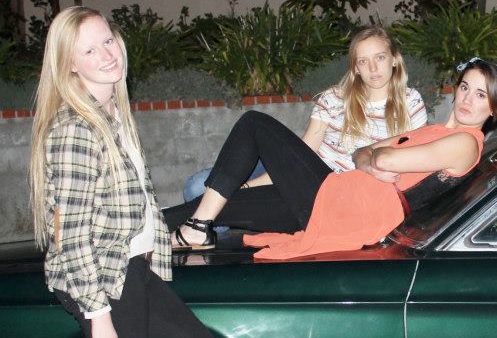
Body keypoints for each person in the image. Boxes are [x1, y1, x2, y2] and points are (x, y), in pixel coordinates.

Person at [28, 7, 231, 338]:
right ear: (69, 65)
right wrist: (98, 315)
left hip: (131, 271)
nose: (107, 53)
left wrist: (164, 244)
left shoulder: (113, 113)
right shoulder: (75, 129)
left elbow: (132, 206)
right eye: (89, 49)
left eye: (108, 40)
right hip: (101, 281)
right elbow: (71, 237)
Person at [166, 25, 427, 248]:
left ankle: (197, 227)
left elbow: (415, 169)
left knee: (254, 123)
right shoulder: (335, 99)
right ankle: (173, 228)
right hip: (313, 192)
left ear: (394, 59)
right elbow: (301, 157)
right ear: (355, 68)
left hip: (347, 205)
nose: (373, 68)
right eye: (363, 61)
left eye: (380, 57)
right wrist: (244, 187)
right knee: (210, 204)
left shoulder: (411, 102)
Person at [244, 57, 497, 260]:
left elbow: (383, 159)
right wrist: (370, 164)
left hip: (351, 211)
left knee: (256, 124)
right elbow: (362, 151)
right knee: (226, 204)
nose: (467, 99)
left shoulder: (466, 143)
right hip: (339, 193)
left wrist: (377, 159)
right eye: (465, 87)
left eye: (481, 95)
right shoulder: (435, 131)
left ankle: (214, 213)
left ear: (495, 108)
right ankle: (214, 212)